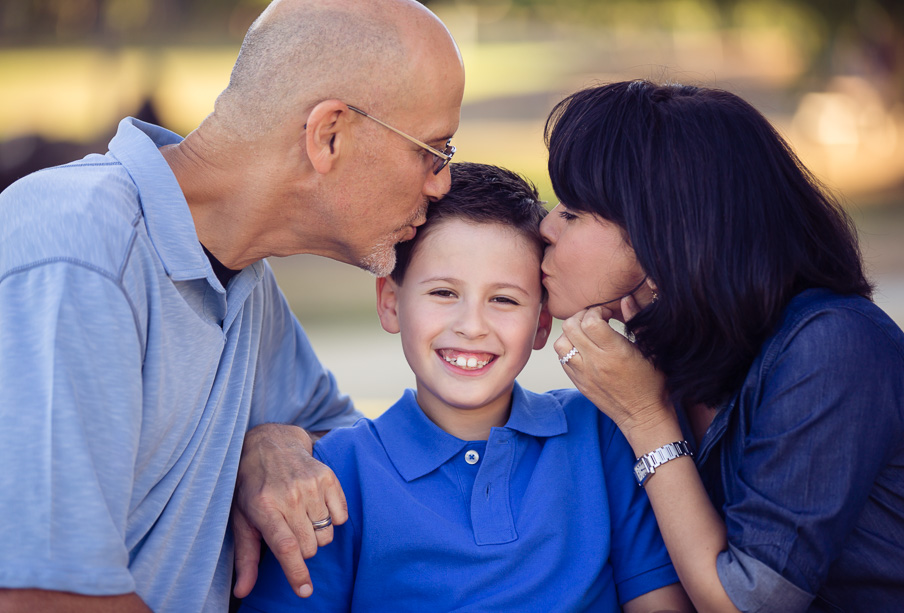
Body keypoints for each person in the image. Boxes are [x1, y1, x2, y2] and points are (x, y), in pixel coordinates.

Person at [0, 0, 464, 610]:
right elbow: (44, 596)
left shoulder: (244, 281)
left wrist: (276, 443)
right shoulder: (80, 250)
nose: (442, 183)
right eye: (432, 151)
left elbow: (353, 448)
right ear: (329, 135)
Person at [238, 163, 693, 612]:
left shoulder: (601, 434)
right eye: (443, 293)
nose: (471, 326)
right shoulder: (332, 476)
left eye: (504, 300)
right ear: (391, 303)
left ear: (540, 324)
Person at [539, 79, 904, 612]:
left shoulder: (831, 348)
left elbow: (747, 604)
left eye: (572, 212)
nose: (546, 227)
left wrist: (647, 421)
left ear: (664, 233)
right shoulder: (666, 355)